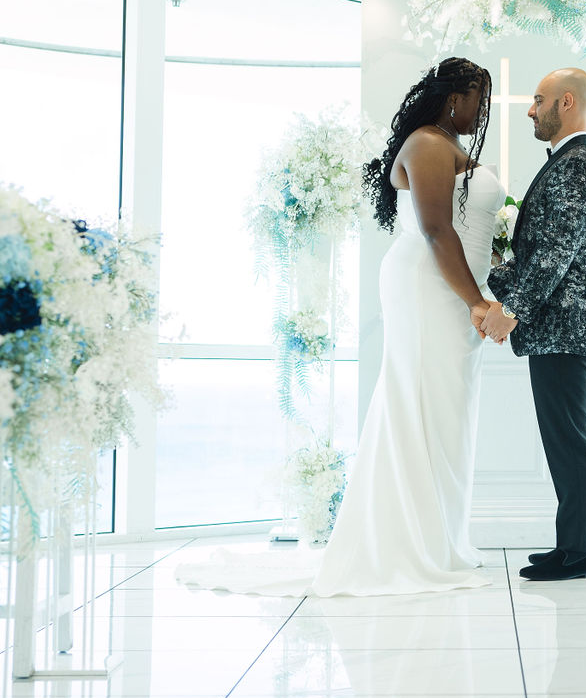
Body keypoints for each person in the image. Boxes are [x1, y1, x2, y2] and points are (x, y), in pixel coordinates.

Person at [177, 56, 503, 598]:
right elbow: (436, 231)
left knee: (447, 411)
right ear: (455, 97)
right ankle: (408, 548)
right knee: (419, 405)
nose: (484, 110)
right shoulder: (426, 143)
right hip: (430, 289)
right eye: (480, 98)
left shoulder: (445, 144)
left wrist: (479, 293)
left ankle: (440, 539)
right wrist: (476, 302)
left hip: (453, 291)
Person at [481, 68, 586, 581]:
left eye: (537, 100)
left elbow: (555, 254)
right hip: (570, 324)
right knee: (578, 435)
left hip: (566, 324)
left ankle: (578, 550)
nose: (530, 109)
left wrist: (508, 311)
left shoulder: (576, 164)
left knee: (569, 437)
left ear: (565, 102)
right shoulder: (573, 161)